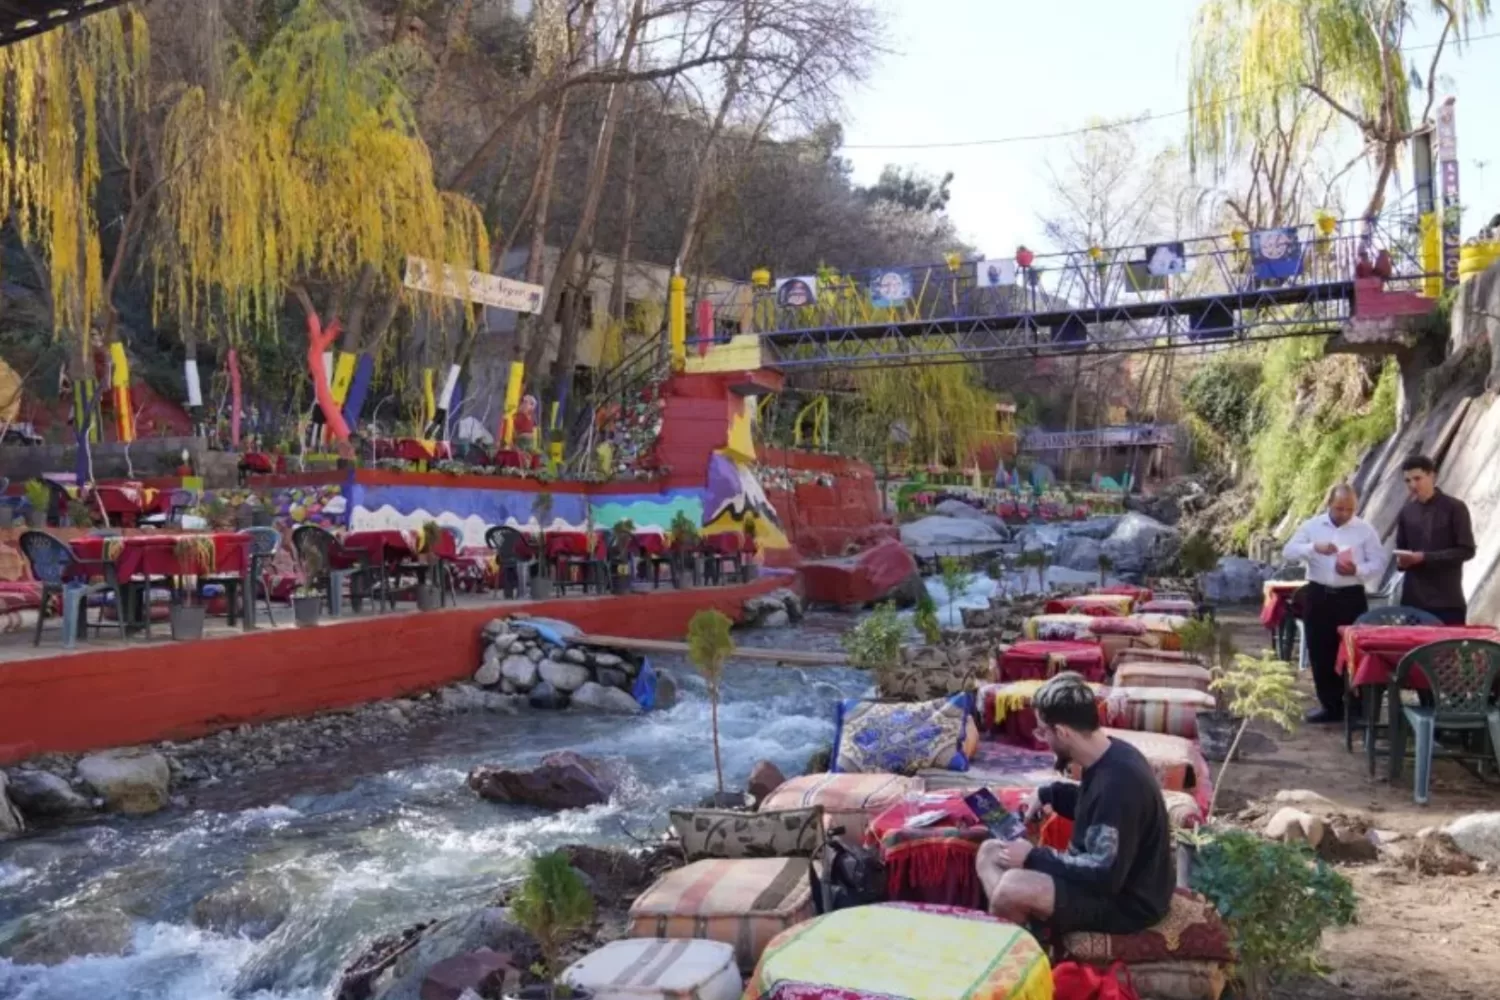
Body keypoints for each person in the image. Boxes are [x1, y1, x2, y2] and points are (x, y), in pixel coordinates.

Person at [976, 673, 1174, 936]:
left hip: (1127, 902)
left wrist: (1032, 857)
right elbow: (1090, 803)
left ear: (1062, 732)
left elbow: (1104, 875)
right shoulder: (1109, 755)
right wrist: (1048, 794)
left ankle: (1020, 952)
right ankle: (1023, 930)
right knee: (990, 852)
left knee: (1012, 887)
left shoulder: (1119, 785)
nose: (1043, 739)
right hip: (1101, 876)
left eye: (1043, 731)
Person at [1281, 484, 1386, 723]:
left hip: (1351, 595)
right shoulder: (1312, 526)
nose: (1344, 514)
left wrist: (1357, 569)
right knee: (1320, 651)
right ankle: (1330, 705)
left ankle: (1357, 706)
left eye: (1350, 509)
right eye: (1339, 509)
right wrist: (1312, 548)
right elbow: (1288, 551)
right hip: (1319, 595)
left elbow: (1379, 561)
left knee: (1354, 651)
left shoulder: (1364, 530)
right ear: (1329, 504)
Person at [1394, 455, 1475, 624]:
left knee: (1449, 650)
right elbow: (1401, 551)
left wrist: (1425, 557)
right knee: (1414, 650)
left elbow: (1467, 550)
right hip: (1413, 601)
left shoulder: (1455, 508)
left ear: (1432, 476)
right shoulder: (1406, 513)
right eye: (1407, 481)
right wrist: (1402, 562)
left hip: (1447, 601)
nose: (1412, 485)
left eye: (1417, 478)